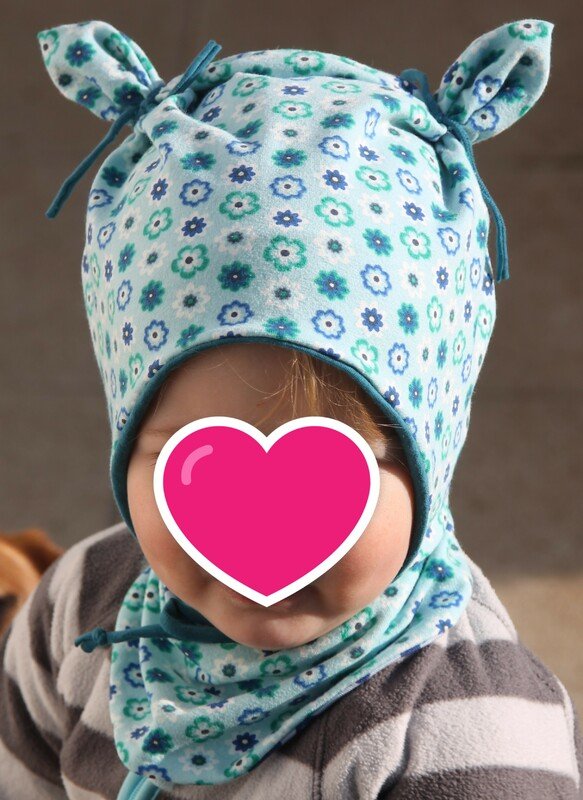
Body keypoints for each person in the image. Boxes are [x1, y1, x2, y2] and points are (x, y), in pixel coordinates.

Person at [1, 16, 581, 800]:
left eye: (329, 472)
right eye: (200, 461)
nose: (259, 531)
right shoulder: (78, 607)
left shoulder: (467, 733)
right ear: (127, 442)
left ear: (432, 451)